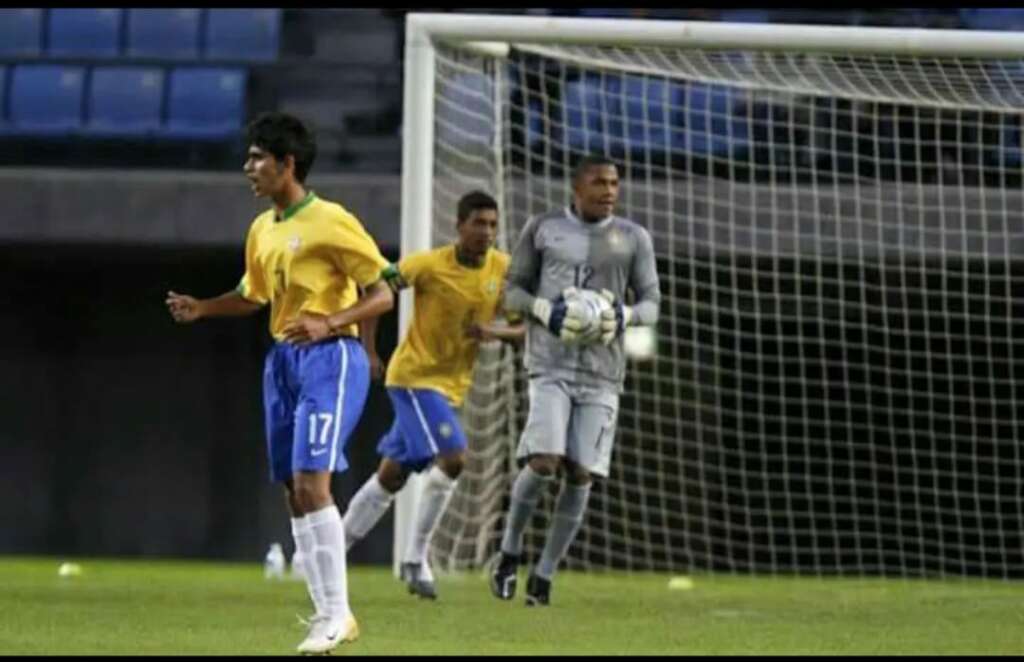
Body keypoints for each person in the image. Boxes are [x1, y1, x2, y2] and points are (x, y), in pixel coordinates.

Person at [165, 112, 393, 654]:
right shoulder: (262, 229)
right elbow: (253, 295)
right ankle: (324, 616)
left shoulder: (332, 221)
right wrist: (203, 308)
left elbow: (383, 290)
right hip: (284, 360)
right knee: (294, 492)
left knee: (314, 484)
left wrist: (337, 326)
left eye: (256, 158)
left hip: (329, 356)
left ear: (287, 164)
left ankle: (339, 615)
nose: (248, 168)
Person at [489, 154, 661, 606]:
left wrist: (622, 315)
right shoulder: (542, 228)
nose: (608, 191)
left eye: (614, 183)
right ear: (576, 187)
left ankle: (543, 576)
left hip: (604, 374)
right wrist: (544, 310)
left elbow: (652, 304)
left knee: (581, 473)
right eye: (599, 182)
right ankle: (509, 551)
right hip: (549, 365)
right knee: (545, 461)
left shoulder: (633, 238)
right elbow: (512, 290)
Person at [342, 190, 525, 600]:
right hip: (413, 378)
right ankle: (415, 557)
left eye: (493, 225)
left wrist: (494, 331)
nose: (487, 232)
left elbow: (521, 329)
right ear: (459, 226)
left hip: (453, 386)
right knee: (455, 457)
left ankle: (332, 548)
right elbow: (374, 289)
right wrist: (369, 350)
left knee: (392, 475)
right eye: (478, 223)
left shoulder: (503, 270)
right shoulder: (427, 265)